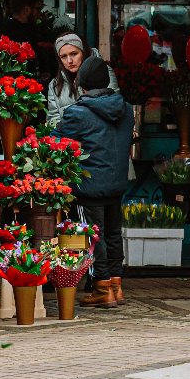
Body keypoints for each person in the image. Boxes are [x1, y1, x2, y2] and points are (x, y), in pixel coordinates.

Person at [56, 56, 133, 308]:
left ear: (81, 83)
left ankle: (101, 287)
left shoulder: (77, 113)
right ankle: (117, 285)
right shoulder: (126, 108)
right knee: (112, 234)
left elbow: (57, 143)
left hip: (89, 186)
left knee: (93, 236)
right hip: (116, 182)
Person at [46, 33, 118, 126]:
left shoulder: (103, 71)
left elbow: (113, 107)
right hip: (68, 137)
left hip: (100, 136)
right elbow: (53, 120)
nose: (69, 61)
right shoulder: (55, 85)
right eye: (64, 56)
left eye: (74, 54)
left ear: (84, 52)